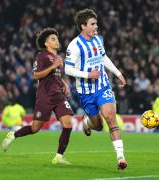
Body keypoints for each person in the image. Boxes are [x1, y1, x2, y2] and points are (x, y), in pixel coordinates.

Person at [65, 9, 127, 169]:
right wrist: (87, 74)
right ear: (83, 26)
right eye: (92, 24)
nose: (96, 27)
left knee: (111, 118)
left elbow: (103, 57)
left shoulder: (98, 39)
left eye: (96, 23)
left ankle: (121, 158)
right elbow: (67, 69)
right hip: (86, 92)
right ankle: (87, 122)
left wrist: (118, 73)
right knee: (98, 125)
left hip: (102, 86)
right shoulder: (75, 45)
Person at [2, 28, 73, 165]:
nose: (56, 40)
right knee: (35, 128)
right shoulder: (42, 56)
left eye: (57, 38)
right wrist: (53, 66)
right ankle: (13, 135)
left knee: (68, 124)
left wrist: (64, 83)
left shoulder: (58, 58)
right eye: (53, 39)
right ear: (46, 43)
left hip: (58, 95)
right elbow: (36, 75)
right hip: (45, 96)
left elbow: (56, 76)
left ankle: (59, 156)